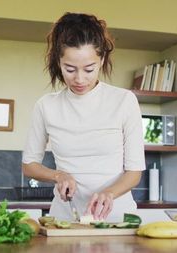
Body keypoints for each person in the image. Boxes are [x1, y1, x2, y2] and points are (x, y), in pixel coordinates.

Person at [22, 12, 145, 222]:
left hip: (116, 219)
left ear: (102, 60)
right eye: (69, 69)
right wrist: (58, 175)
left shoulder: (124, 101)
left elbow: (134, 173)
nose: (79, 79)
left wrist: (110, 193)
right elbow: (29, 165)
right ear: (58, 62)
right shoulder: (47, 106)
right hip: (65, 219)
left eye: (89, 69)